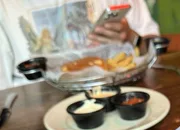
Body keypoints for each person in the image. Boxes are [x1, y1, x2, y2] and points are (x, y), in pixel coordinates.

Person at [0, 0, 159, 90]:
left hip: (125, 98)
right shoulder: (5, 8)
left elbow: (156, 49)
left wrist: (131, 36)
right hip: (37, 121)